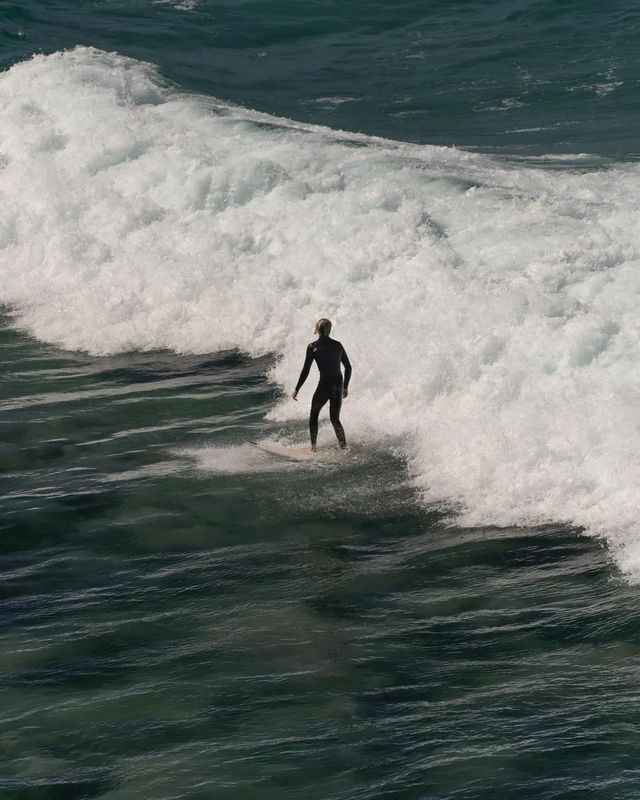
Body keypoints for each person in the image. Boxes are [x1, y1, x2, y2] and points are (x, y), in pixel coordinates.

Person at [292, 318, 352, 453]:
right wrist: (345, 386)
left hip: (324, 386)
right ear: (329, 330)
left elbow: (305, 370)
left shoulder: (312, 347)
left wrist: (297, 389)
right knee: (335, 419)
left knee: (314, 415)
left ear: (317, 330)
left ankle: (313, 447)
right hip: (337, 385)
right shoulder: (338, 345)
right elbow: (348, 367)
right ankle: (344, 448)